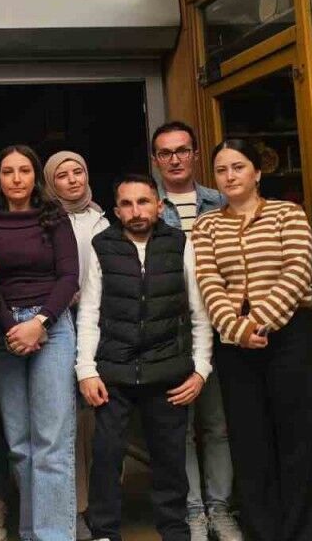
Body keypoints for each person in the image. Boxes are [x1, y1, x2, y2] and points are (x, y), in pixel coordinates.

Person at [192, 139, 312, 541]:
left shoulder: (288, 214)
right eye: (221, 170)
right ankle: (264, 531)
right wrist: (238, 330)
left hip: (290, 337)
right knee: (250, 439)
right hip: (235, 343)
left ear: (257, 172)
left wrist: (260, 322)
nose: (230, 176)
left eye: (238, 167)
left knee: (298, 435)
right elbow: (208, 281)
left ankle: (305, 531)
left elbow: (298, 270)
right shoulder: (207, 225)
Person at [75, 173, 213, 541]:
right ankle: (105, 532)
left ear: (159, 206)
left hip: (168, 371)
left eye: (143, 202)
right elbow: (89, 311)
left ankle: (175, 532)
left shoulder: (180, 243)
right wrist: (86, 370)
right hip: (114, 373)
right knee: (106, 456)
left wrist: (200, 369)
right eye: (127, 204)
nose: (136, 211)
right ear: (117, 210)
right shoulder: (102, 245)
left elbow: (199, 312)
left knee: (170, 461)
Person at [0, 145, 79, 541]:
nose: (16, 178)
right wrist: (13, 326)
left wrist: (40, 322)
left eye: (24, 170)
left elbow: (69, 277)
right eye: (8, 171)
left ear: (35, 177)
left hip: (52, 327)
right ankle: (32, 533)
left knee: (51, 444)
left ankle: (53, 536)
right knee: (19, 445)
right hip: (6, 331)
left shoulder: (54, 217)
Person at [150, 120, 241, 541]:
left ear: (195, 154)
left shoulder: (222, 201)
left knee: (218, 424)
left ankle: (220, 508)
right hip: (171, 329)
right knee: (179, 428)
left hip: (222, 324)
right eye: (166, 153)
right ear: (156, 160)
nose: (175, 159)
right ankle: (192, 512)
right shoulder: (148, 206)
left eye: (182, 150)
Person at [44, 150, 107, 540]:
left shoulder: (103, 219)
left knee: (99, 421)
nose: (72, 180)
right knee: (67, 423)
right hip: (59, 323)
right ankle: (76, 509)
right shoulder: (46, 221)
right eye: (62, 175)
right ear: (50, 183)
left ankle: (102, 506)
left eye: (78, 171)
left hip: (101, 326)